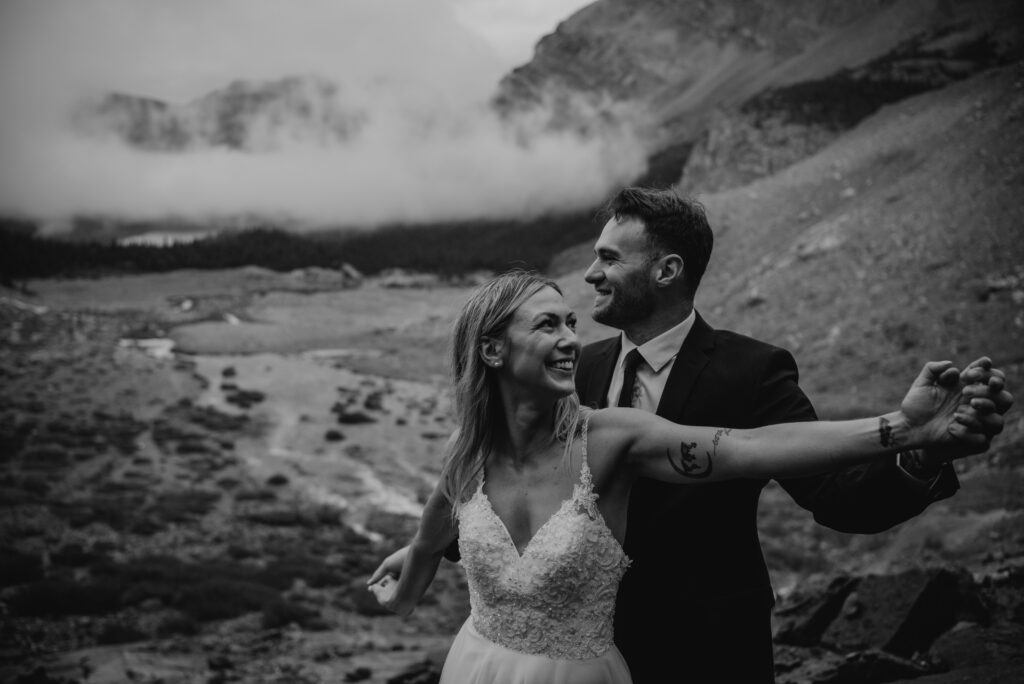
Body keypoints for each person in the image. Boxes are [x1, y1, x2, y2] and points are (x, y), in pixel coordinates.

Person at [367, 270, 1008, 684]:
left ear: (666, 266)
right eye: (548, 324)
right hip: (477, 666)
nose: (570, 337)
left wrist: (903, 428)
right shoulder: (468, 451)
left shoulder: (613, 435)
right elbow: (432, 543)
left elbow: (750, 449)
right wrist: (407, 577)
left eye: (570, 322)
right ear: (492, 350)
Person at [574, 187, 1010, 682]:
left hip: (708, 650)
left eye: (608, 259)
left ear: (667, 271)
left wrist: (922, 452)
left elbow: (838, 497)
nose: (591, 274)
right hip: (588, 644)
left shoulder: (752, 371)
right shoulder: (582, 368)